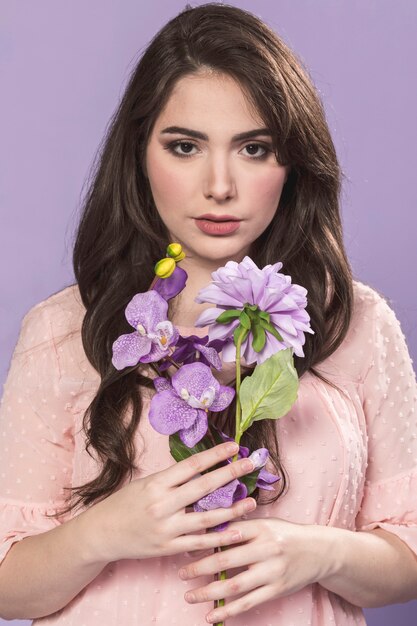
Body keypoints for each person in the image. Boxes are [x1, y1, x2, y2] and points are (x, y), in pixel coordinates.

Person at [0, 3, 416, 625]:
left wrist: (320, 552)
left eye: (253, 148)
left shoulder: (353, 324)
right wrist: (103, 533)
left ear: (293, 164)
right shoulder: (63, 329)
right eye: (186, 146)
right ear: (140, 154)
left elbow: (407, 549)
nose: (219, 185)